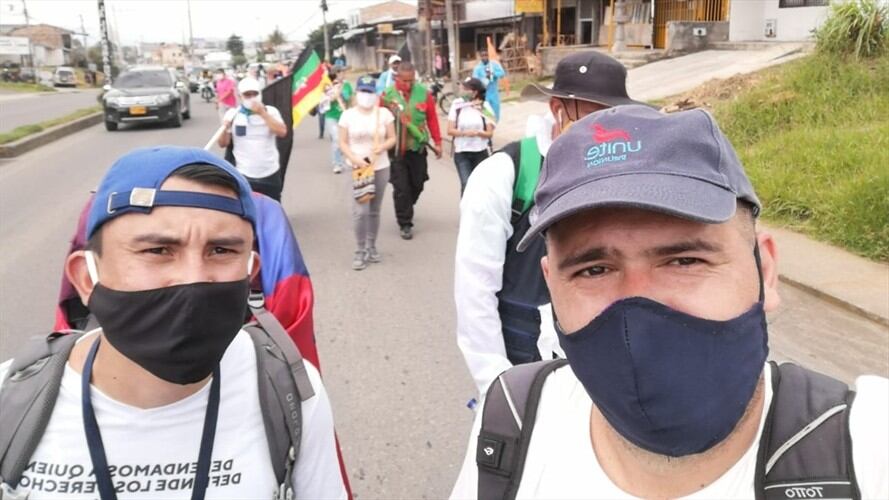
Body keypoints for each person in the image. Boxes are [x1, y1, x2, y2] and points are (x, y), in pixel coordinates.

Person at [450, 106, 889, 499]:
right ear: (551, 285)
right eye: (594, 270)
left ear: (765, 271)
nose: (637, 308)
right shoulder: (513, 421)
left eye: (684, 260)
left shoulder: (866, 447)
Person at [0, 146, 348, 499]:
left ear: (250, 273)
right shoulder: (11, 402)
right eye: (158, 250)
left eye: (221, 250)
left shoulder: (292, 392)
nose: (192, 278)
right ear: (86, 278)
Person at [455, 51, 647, 397]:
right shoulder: (505, 172)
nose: (604, 127)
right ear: (558, 108)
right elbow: (474, 289)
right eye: (593, 115)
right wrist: (496, 387)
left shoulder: (620, 168)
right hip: (526, 348)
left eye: (613, 114)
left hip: (603, 342)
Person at [338, 75, 397, 270]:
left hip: (380, 167)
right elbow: (342, 142)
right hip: (357, 168)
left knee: (374, 210)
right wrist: (354, 159)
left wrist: (382, 148)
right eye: (363, 91)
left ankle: (372, 246)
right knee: (360, 211)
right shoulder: (347, 116)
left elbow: (392, 138)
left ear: (376, 94)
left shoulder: (384, 114)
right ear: (357, 93)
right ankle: (360, 249)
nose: (366, 95)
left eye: (370, 92)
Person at [380, 61, 443, 240]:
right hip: (396, 150)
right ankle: (405, 222)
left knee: (418, 182)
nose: (408, 85)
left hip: (417, 147)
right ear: (397, 78)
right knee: (401, 188)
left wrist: (438, 142)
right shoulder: (387, 96)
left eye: (411, 81)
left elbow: (432, 119)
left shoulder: (424, 94)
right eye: (404, 81)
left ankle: (407, 203)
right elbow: (377, 121)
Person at [218, 77, 288, 201]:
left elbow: (282, 132)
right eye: (247, 95)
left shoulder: (271, 112)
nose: (251, 98)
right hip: (244, 173)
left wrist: (262, 114)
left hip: (270, 171)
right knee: (248, 214)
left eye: (254, 94)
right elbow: (223, 143)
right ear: (240, 97)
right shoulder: (233, 114)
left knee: (272, 210)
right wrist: (225, 128)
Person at [447, 77, 496, 195]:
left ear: (475, 92)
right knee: (466, 184)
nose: (462, 90)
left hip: (480, 152)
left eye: (466, 88)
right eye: (462, 87)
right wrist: (464, 133)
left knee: (480, 186)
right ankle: (466, 212)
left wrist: (478, 133)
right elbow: (449, 130)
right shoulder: (457, 105)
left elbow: (490, 133)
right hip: (462, 152)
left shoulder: (484, 107)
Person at [322, 69, 353, 174]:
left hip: (344, 116)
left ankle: (345, 159)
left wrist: (342, 94)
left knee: (345, 140)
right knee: (336, 138)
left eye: (344, 72)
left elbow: (350, 99)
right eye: (340, 73)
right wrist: (335, 92)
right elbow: (326, 100)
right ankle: (337, 163)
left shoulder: (347, 85)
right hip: (331, 116)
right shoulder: (327, 86)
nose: (343, 74)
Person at [471, 50, 506, 121]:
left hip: (494, 93)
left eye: (486, 55)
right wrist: (483, 79)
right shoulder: (477, 68)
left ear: (488, 55)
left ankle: (493, 126)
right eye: (482, 55)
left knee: (495, 112)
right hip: (483, 94)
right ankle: (486, 127)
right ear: (480, 57)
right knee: (485, 113)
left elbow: (502, 73)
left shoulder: (494, 64)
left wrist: (493, 74)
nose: (484, 57)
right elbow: (474, 80)